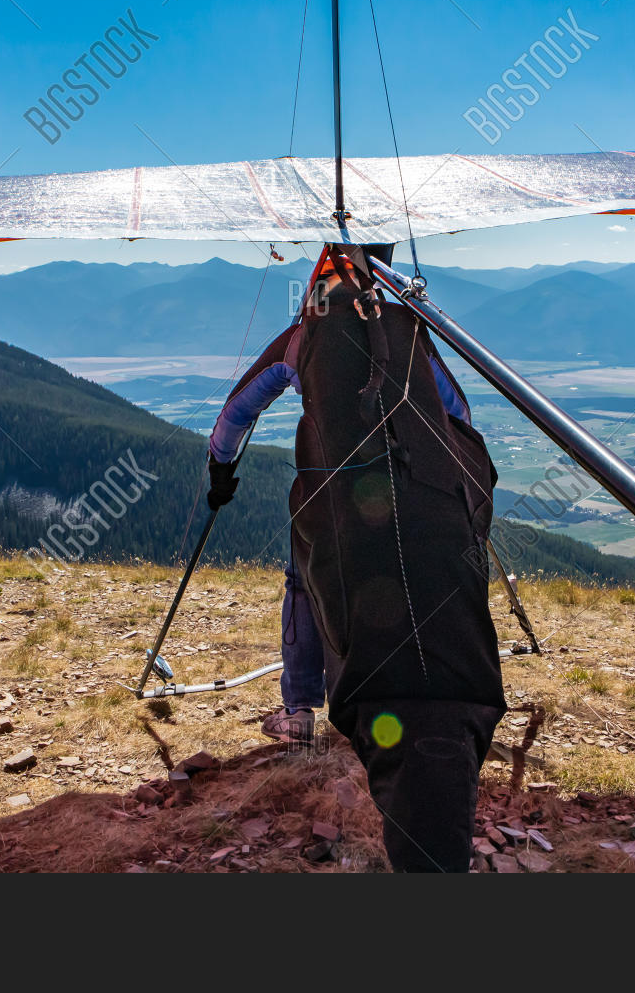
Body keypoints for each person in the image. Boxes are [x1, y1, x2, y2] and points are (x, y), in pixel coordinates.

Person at [207, 246, 505, 872]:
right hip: (430, 492)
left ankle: (299, 709)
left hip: (337, 501)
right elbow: (458, 414)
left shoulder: (301, 340)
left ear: (315, 290)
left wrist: (221, 476)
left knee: (308, 576)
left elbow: (234, 417)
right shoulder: (408, 332)